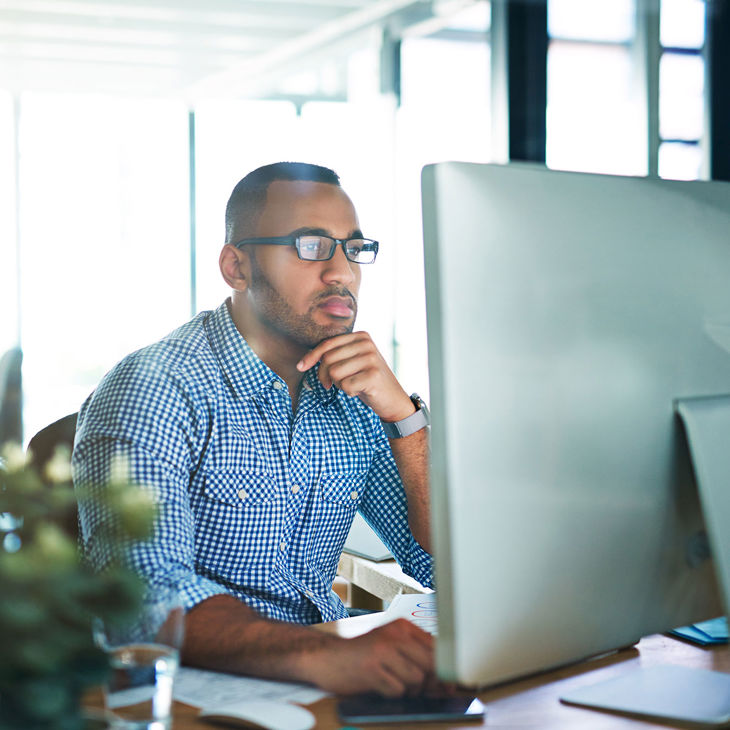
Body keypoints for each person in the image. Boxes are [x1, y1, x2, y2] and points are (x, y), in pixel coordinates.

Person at [73, 161, 434, 697]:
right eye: (312, 246)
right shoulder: (155, 387)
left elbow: (441, 565)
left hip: (321, 680)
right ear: (236, 267)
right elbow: (146, 599)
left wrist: (407, 420)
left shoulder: (357, 393)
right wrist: (326, 654)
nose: (341, 273)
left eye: (353, 249)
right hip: (195, 694)